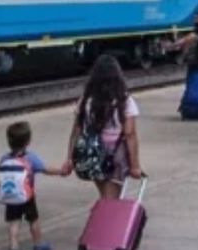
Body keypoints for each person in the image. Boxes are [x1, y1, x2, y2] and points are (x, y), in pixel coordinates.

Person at [61, 54, 144, 198]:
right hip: (115, 154)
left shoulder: (86, 99)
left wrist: (69, 158)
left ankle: (106, 215)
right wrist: (135, 165)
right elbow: (130, 134)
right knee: (111, 199)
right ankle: (105, 219)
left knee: (105, 193)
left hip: (91, 152)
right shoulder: (124, 100)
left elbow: (76, 131)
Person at [0, 122, 64, 250]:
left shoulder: (4, 158)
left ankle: (13, 246)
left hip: (11, 196)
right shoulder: (30, 158)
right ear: (28, 141)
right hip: (27, 195)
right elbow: (45, 169)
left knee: (14, 221)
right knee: (33, 220)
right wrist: (60, 171)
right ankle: (38, 243)